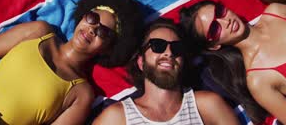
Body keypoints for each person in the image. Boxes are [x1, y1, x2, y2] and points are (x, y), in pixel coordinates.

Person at [0, 0, 144, 124]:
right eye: (93, 18)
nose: (93, 29)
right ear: (82, 16)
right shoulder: (39, 32)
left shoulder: (81, 94)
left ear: (108, 48)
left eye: (104, 32)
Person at [93, 18, 240, 125]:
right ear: (141, 62)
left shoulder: (207, 105)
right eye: (158, 46)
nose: (169, 53)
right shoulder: (117, 118)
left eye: (177, 48)